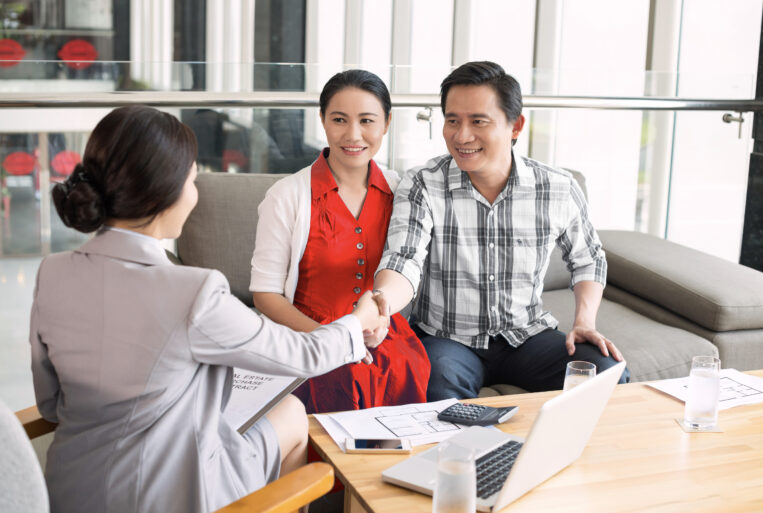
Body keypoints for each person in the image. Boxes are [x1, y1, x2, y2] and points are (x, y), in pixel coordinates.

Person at [30, 105, 386, 513]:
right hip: (171, 496)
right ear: (167, 192)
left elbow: (49, 404)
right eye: (193, 180)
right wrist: (359, 320)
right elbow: (306, 355)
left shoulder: (52, 273)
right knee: (292, 413)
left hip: (70, 491)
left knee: (281, 409)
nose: (194, 194)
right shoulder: (192, 291)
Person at [373, 61, 631, 400]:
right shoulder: (423, 183)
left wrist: (584, 321)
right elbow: (404, 258)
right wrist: (380, 304)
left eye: (478, 121)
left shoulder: (557, 188)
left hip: (527, 337)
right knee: (435, 384)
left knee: (609, 372)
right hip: (448, 339)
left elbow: (589, 259)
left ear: (515, 125)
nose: (461, 136)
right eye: (452, 120)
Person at [250, 69, 430, 413]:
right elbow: (265, 294)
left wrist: (375, 323)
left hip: (385, 334)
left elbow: (410, 271)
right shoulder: (286, 196)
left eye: (367, 121)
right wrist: (331, 339)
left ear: (387, 123)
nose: (353, 134)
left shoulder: (402, 192)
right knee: (340, 377)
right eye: (339, 119)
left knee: (405, 371)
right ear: (322, 120)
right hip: (310, 337)